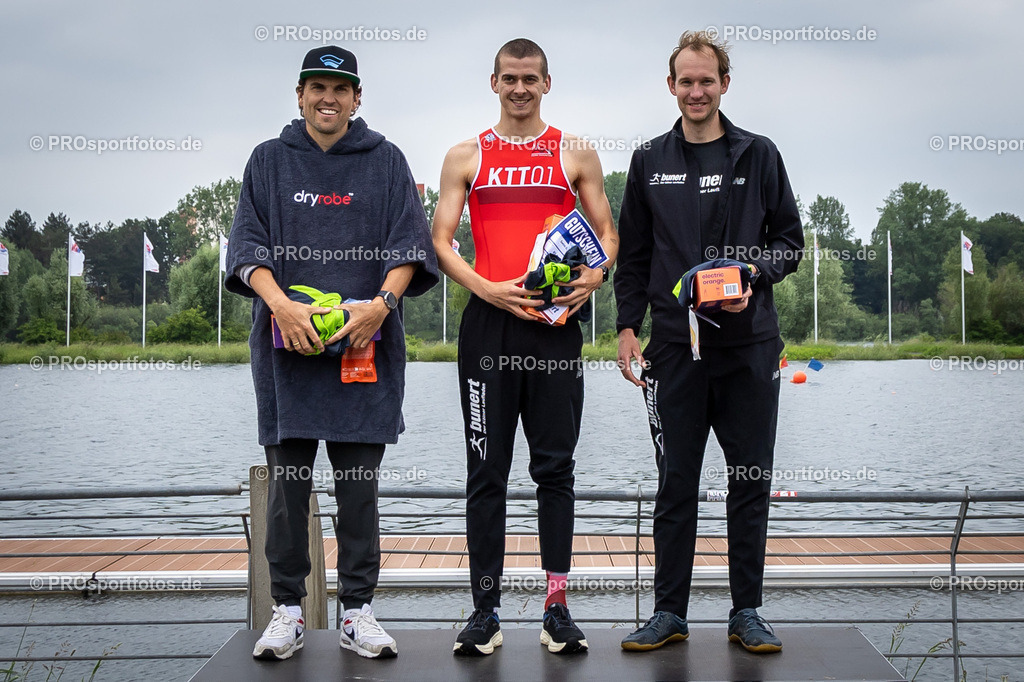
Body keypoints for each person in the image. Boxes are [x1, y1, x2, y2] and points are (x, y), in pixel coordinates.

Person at [225, 45, 438, 661]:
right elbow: (247, 248)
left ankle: (358, 612)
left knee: (359, 489)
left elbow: (409, 247)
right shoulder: (268, 162)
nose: (328, 97)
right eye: (316, 86)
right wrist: (281, 306)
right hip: (285, 353)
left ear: (357, 97)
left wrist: (381, 306)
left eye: (340, 88)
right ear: (298, 95)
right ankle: (286, 613)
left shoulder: (386, 161)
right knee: (288, 489)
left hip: (364, 352)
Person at [614, 30, 803, 654]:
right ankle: (669, 612)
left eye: (707, 80)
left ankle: (746, 611)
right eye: (685, 81)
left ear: (725, 83)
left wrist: (753, 272)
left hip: (750, 347)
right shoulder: (647, 160)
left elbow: (789, 244)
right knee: (676, 481)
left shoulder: (760, 154)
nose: (696, 91)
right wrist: (625, 328)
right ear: (671, 87)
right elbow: (634, 256)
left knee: (749, 479)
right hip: (674, 351)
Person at [432, 38, 618, 656]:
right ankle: (485, 612)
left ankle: (556, 608)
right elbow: (440, 241)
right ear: (493, 82)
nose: (519, 88)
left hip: (554, 330)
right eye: (509, 78)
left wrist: (597, 275)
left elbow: (609, 236)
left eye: (530, 78)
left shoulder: (575, 152)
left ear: (546, 83)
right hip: (488, 328)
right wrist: (484, 287)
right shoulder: (465, 155)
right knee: (486, 472)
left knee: (554, 470)